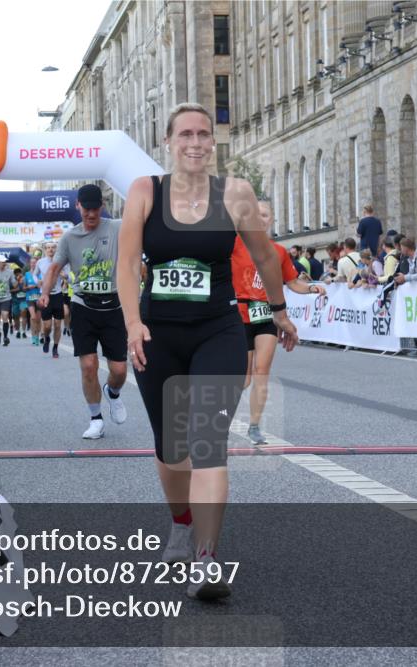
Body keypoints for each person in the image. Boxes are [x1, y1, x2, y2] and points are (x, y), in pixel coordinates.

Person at [117, 103, 299, 600]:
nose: (195, 143)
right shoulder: (144, 191)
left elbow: (264, 256)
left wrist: (279, 311)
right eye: (185, 134)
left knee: (207, 442)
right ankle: (181, 523)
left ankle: (206, 558)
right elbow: (127, 263)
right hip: (157, 334)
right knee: (171, 447)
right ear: (168, 141)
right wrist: (132, 323)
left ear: (212, 142)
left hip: (218, 331)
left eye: (203, 134)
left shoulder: (235, 193)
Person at [38, 184, 129, 440]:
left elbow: (143, 223)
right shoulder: (69, 237)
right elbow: (54, 269)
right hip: (83, 306)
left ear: (102, 207)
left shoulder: (117, 227)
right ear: (78, 206)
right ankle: (96, 419)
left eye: (95, 209)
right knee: (88, 365)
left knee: (119, 370)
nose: (91, 214)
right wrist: (45, 292)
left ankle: (112, 393)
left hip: (113, 307)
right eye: (86, 209)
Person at [233, 198, 325, 444]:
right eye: (256, 215)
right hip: (239, 315)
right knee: (243, 378)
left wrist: (312, 288)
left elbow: (292, 282)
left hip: (267, 315)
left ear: (271, 220)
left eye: (265, 215)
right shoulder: (234, 243)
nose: (260, 219)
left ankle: (254, 426)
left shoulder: (279, 252)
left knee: (262, 371)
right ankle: (218, 414)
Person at [37, 242, 66, 358]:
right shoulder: (40, 262)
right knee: (47, 326)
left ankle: (55, 348)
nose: (50, 250)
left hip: (58, 295)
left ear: (56, 249)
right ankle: (47, 338)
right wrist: (38, 282)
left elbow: (69, 276)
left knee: (58, 325)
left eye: (53, 247)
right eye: (48, 248)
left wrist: (65, 276)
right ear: (45, 250)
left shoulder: (62, 262)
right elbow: (34, 274)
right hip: (45, 296)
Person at [23, 257, 42, 345]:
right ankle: (33, 335)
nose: (33, 264)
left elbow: (43, 285)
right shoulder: (27, 274)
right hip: (30, 298)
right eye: (32, 263)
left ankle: (37, 336)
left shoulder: (40, 274)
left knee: (38, 319)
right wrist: (28, 287)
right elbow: (23, 288)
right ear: (30, 264)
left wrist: (39, 285)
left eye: (35, 263)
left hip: (39, 298)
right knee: (33, 317)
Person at [10, 267, 27, 338]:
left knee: (23, 312)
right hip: (15, 301)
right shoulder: (12, 281)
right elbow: (9, 290)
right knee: (16, 316)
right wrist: (17, 288)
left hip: (23, 300)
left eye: (19, 274)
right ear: (15, 275)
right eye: (17, 275)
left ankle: (24, 331)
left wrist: (24, 288)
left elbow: (27, 288)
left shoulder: (25, 279)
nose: (19, 276)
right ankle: (18, 331)